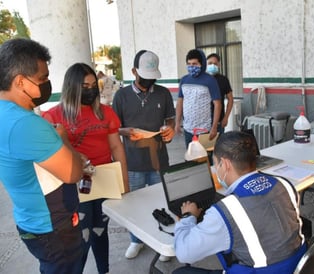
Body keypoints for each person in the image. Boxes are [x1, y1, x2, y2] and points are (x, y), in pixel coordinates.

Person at [0, 38, 85, 273]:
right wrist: (64, 140)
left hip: (29, 218)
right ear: (20, 81)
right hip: (53, 226)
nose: (47, 84)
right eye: (43, 79)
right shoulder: (25, 123)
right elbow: (73, 172)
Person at [173, 131, 307, 274]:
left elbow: (184, 252)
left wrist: (188, 217)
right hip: (296, 267)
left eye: (216, 163)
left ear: (224, 164)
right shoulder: (285, 184)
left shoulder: (227, 211)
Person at [42, 63, 129, 274]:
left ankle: (104, 270)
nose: (90, 90)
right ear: (72, 87)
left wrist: (124, 182)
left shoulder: (105, 113)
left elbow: (116, 147)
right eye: (84, 86)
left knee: (100, 230)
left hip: (104, 179)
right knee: (80, 236)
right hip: (74, 183)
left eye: (92, 85)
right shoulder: (54, 116)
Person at [112, 50, 176, 261]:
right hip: (132, 162)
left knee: (163, 201)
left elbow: (170, 120)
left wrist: (169, 129)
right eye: (144, 77)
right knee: (135, 205)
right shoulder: (121, 96)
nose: (149, 81)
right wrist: (126, 131)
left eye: (152, 77)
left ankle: (163, 240)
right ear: (133, 72)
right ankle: (136, 240)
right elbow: (114, 129)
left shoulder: (163, 93)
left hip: (159, 161)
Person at [175, 49, 222, 147]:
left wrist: (214, 127)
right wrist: (177, 122)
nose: (191, 67)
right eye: (189, 64)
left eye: (195, 64)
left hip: (205, 129)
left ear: (202, 64)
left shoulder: (210, 80)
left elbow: (217, 104)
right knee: (191, 157)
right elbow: (180, 102)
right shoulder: (184, 80)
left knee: (207, 159)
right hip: (188, 129)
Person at [206, 53, 234, 134]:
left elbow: (230, 99)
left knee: (219, 145)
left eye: (215, 63)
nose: (212, 65)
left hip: (219, 121)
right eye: (210, 63)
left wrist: (226, 117)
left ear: (219, 65)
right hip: (203, 122)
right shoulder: (202, 79)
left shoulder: (223, 80)